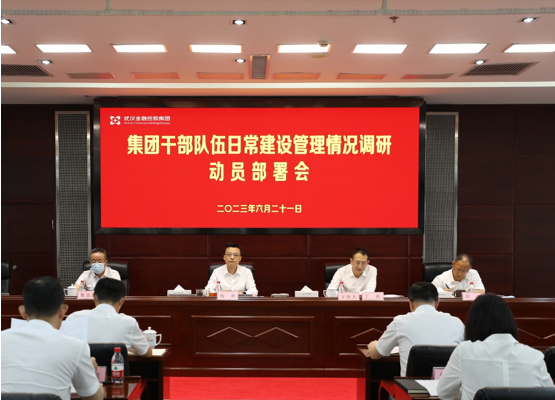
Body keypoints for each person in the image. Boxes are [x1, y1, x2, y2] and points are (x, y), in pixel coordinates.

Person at [1, 276, 103, 400]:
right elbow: (95, 398)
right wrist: (90, 370)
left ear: (22, 312)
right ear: (62, 311)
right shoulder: (76, 347)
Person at [437, 294, 554, 400]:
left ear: (474, 324)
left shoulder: (464, 351)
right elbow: (550, 394)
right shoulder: (535, 356)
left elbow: (444, 393)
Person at [367, 282, 464, 376]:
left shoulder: (400, 322)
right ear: (437, 302)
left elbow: (375, 354)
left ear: (410, 303)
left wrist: (373, 345)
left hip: (412, 386)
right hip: (449, 386)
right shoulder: (457, 323)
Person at [67, 278, 152, 357]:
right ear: (122, 300)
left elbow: (63, 348)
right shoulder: (129, 322)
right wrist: (130, 348)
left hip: (81, 368)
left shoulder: (74, 317)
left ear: (94, 297)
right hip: (115, 369)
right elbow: (147, 353)